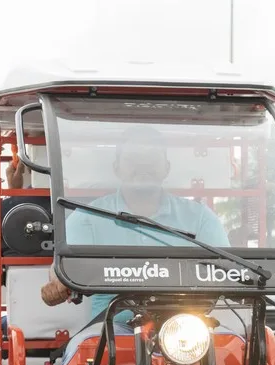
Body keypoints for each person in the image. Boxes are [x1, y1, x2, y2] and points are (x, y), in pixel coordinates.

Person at [40, 125, 230, 322]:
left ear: (166, 168)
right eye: (133, 159)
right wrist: (59, 283)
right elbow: (60, 271)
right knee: (77, 351)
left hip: (187, 329)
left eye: (151, 159)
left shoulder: (199, 217)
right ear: (117, 168)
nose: (143, 166)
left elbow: (229, 270)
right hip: (110, 332)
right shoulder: (88, 218)